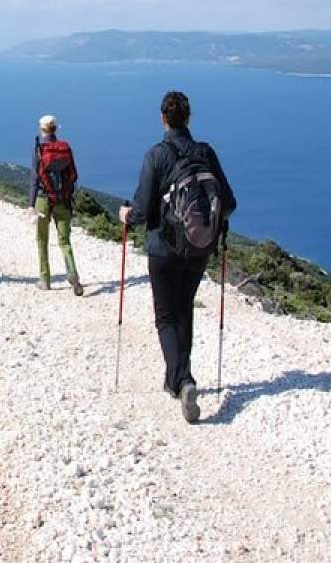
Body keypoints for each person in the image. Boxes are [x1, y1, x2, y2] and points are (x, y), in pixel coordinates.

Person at [119, 91, 236, 423]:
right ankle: (178, 379)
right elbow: (228, 202)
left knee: (165, 317)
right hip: (199, 248)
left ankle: (182, 380)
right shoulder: (206, 153)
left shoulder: (156, 155)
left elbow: (141, 209)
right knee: (184, 309)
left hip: (163, 248)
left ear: (163, 118)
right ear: (189, 117)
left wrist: (126, 215)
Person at [30, 114, 83, 296]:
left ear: (42, 129)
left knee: (42, 240)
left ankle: (45, 280)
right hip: (63, 200)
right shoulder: (65, 149)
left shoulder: (39, 149)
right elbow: (73, 175)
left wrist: (31, 205)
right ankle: (73, 273)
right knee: (65, 241)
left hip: (43, 200)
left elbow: (35, 178)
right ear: (55, 129)